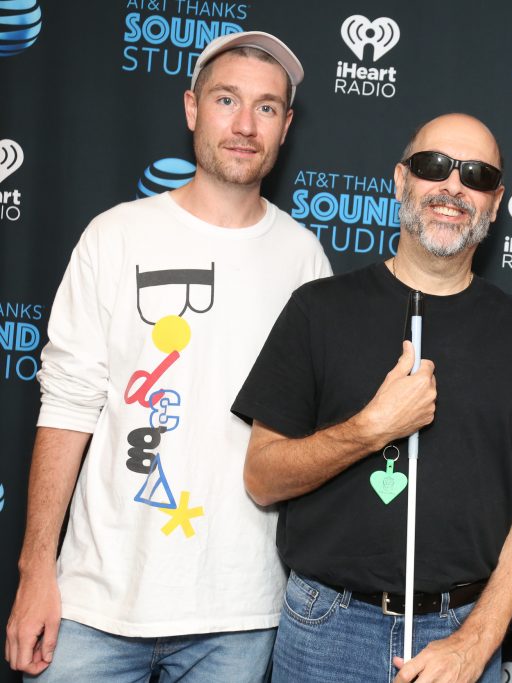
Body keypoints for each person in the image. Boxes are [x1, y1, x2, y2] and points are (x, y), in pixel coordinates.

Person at [4, 31, 332, 681]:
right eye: (226, 100)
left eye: (266, 108)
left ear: (287, 125)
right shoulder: (115, 237)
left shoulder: (305, 262)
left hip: (238, 616)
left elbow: (312, 434)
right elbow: (68, 405)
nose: (244, 125)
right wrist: (36, 569)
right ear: (191, 108)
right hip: (95, 603)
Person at [231, 112, 512, 683]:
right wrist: (370, 428)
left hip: (462, 633)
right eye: (434, 166)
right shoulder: (318, 311)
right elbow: (262, 478)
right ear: (401, 180)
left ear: (496, 202)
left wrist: (476, 642)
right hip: (327, 629)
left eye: (476, 175)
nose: (452, 186)